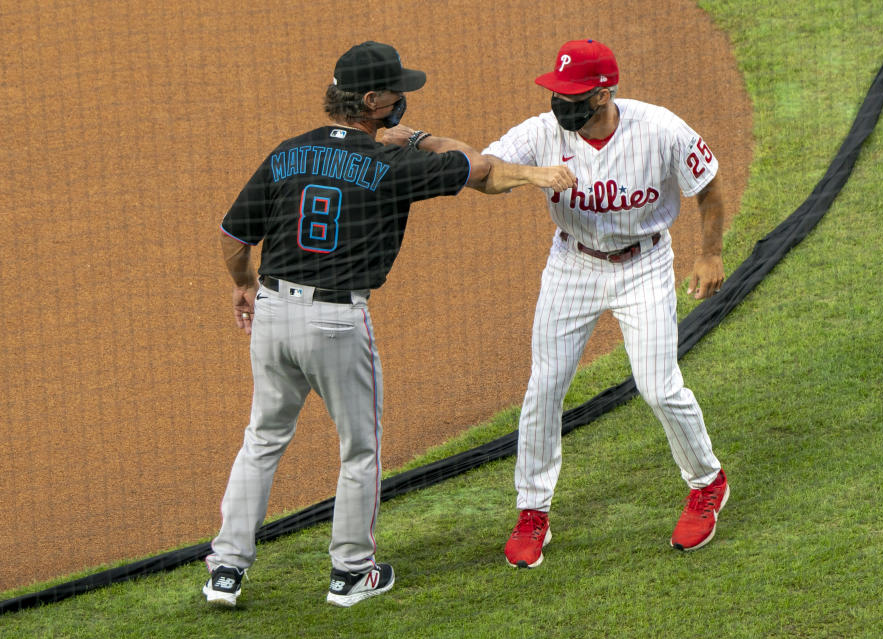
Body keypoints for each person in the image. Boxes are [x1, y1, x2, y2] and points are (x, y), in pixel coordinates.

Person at [203, 41, 574, 607]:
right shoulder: (391, 164)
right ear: (373, 100)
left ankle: (225, 570)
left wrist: (244, 284)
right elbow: (479, 167)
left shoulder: (286, 154)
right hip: (334, 323)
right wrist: (422, 138)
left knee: (263, 437)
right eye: (397, 92)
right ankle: (351, 573)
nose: (404, 98)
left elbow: (234, 236)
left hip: (273, 312)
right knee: (360, 448)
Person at [481, 39, 730, 568]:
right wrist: (531, 174)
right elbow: (486, 172)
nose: (562, 103)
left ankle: (707, 482)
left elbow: (708, 187)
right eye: (558, 91)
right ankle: (532, 512)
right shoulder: (544, 133)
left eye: (574, 94)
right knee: (544, 387)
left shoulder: (660, 128)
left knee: (659, 387)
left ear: (604, 92)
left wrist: (710, 255)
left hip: (644, 266)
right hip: (572, 265)